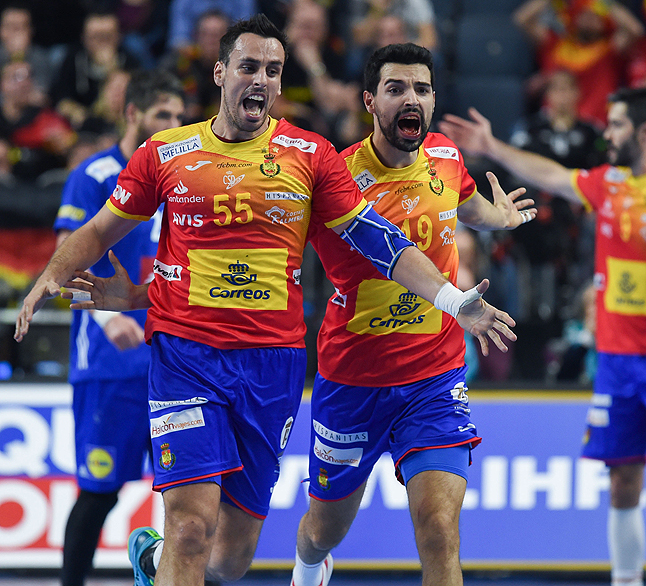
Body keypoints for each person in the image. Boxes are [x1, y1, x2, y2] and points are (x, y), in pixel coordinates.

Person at [14, 15, 518, 586]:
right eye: (249, 67)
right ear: (220, 72)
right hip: (186, 357)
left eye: (273, 70)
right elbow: (100, 229)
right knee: (189, 529)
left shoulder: (312, 155)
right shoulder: (167, 152)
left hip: (271, 365)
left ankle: (156, 562)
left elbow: (380, 241)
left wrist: (454, 300)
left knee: (230, 560)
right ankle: (175, 554)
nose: (261, 79)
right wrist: (51, 274)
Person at [290, 42, 536, 586]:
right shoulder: (335, 178)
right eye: (396, 88)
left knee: (440, 531)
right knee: (324, 529)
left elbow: (467, 206)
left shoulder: (445, 157)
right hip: (353, 380)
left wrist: (499, 218)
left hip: (433, 378)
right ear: (370, 101)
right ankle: (309, 566)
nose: (412, 99)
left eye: (422, 89)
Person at [439, 87, 646, 586]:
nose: (607, 134)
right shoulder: (610, 182)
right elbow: (552, 176)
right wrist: (492, 147)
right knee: (622, 481)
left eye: (617, 125)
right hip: (619, 360)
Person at [54, 69, 185, 586]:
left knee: (189, 495)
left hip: (174, 364)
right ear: (133, 114)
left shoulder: (184, 178)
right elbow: (64, 260)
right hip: (110, 365)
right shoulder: (94, 175)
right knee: (99, 492)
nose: (172, 124)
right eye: (162, 115)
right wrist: (109, 319)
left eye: (179, 116)